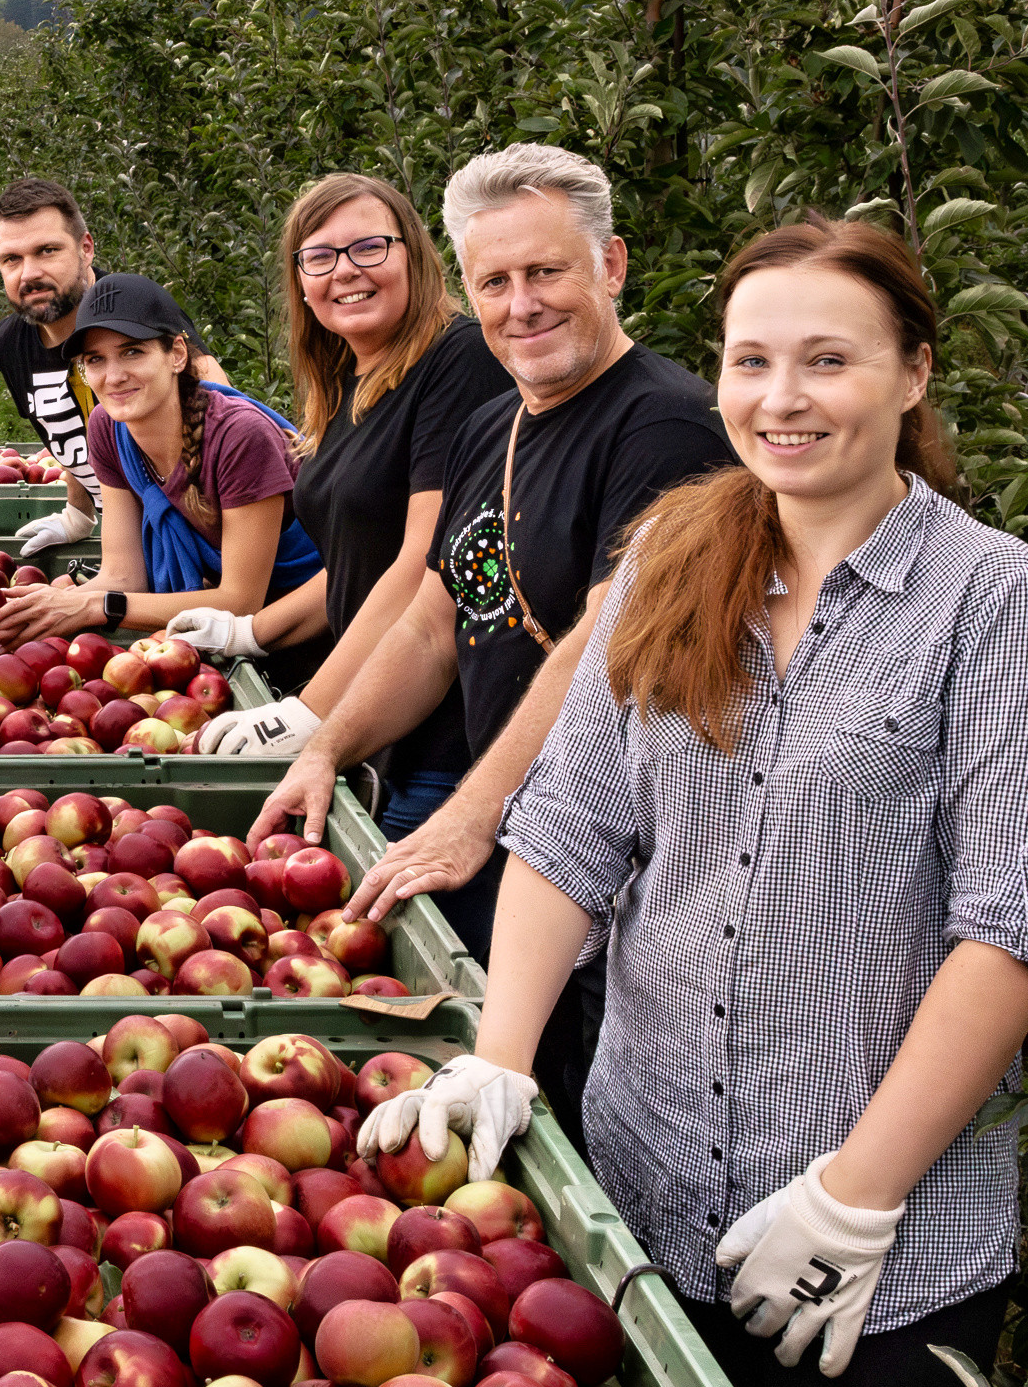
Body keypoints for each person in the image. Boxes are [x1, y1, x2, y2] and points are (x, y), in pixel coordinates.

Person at [359, 216, 1028, 1387]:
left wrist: (853, 1192)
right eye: (752, 359)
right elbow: (568, 831)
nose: (780, 396)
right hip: (644, 1194)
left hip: (877, 1244)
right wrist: (502, 1053)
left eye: (826, 359)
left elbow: (1013, 924)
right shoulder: (672, 560)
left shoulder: (990, 600)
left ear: (909, 375)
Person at [250, 142, 733, 1135]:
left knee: (579, 1105)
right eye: (495, 281)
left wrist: (477, 814)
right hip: (525, 845)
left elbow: (603, 643)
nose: (522, 304)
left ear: (611, 265)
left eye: (547, 271)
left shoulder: (664, 428)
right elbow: (437, 617)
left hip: (622, 873)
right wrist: (326, 743)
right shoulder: (498, 422)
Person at [181, 177, 509, 828]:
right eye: (320, 256)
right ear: (300, 280)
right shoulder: (346, 381)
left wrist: (312, 710)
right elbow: (361, 557)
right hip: (375, 736)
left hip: (441, 748)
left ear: (412, 253)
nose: (345, 271)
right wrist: (251, 630)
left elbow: (423, 560)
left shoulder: (459, 360)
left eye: (367, 247)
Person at [0, 274, 323, 684]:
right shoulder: (107, 429)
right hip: (217, 632)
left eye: (132, 352)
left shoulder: (239, 437)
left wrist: (95, 606)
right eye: (95, 360)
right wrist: (24, 610)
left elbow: (239, 601)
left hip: (309, 621)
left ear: (177, 354)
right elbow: (123, 576)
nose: (113, 377)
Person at [0, 178, 223, 557]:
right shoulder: (10, 345)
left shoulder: (134, 311)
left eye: (47, 251)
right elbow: (69, 431)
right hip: (124, 537)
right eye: (12, 259)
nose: (29, 273)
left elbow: (222, 414)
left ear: (86, 248)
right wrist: (79, 512)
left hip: (197, 536)